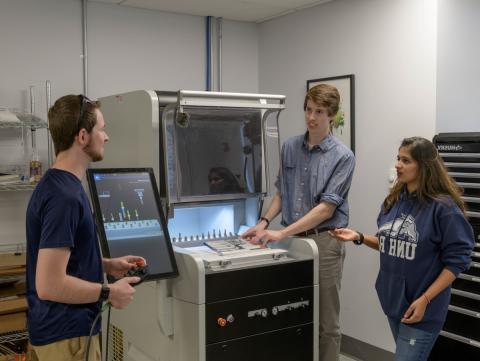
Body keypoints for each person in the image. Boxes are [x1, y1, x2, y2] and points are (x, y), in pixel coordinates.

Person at [330, 137, 474, 361]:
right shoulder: (394, 201)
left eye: (406, 160)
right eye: (398, 158)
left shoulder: (443, 209)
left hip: (423, 309)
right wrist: (359, 237)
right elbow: (390, 245)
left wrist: (425, 299)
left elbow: (458, 261)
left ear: (424, 166)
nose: (398, 164)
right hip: (394, 303)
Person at [26, 94, 146, 361]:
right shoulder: (64, 197)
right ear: (82, 136)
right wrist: (109, 292)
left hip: (56, 334)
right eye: (101, 129)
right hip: (67, 339)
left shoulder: (56, 185)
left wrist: (105, 264)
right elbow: (49, 284)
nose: (107, 137)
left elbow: (59, 259)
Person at [242, 84, 355, 361]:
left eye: (319, 112)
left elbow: (326, 210)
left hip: (324, 241)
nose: (311, 117)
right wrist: (264, 221)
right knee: (291, 309)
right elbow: (283, 192)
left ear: (331, 115)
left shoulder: (343, 157)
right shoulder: (290, 146)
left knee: (327, 322)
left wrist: (281, 234)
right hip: (292, 240)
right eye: (308, 110)